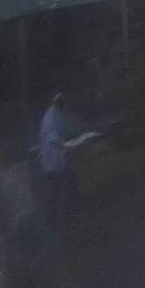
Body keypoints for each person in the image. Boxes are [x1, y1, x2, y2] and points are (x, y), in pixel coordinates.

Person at [38, 92, 80, 222]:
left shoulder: (59, 114)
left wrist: (77, 131)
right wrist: (65, 146)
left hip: (59, 159)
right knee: (58, 188)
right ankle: (57, 217)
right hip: (52, 159)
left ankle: (67, 212)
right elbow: (52, 138)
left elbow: (67, 129)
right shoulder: (50, 117)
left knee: (66, 184)